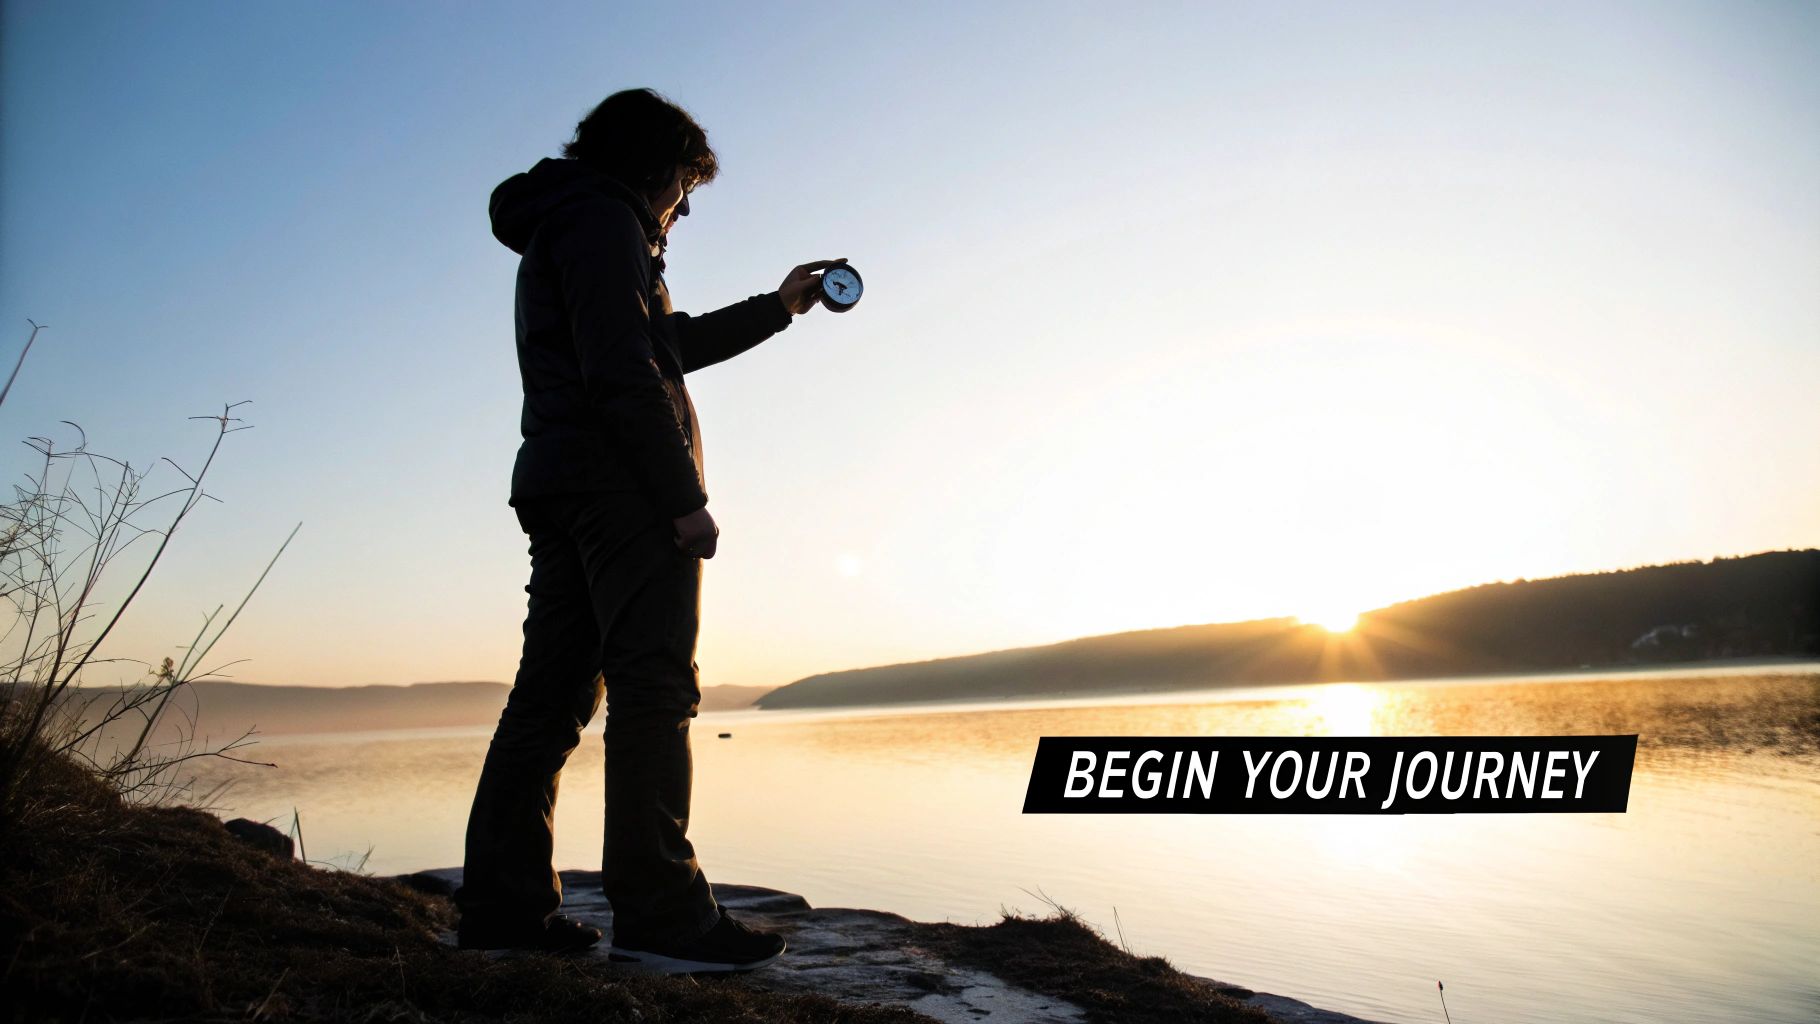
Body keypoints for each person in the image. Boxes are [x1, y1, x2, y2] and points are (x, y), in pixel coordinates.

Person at [452, 88, 844, 972]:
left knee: (550, 699)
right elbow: (625, 371)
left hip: (562, 478)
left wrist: (778, 306)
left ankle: (504, 913)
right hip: (620, 486)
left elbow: (660, 344)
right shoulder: (604, 221)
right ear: (658, 165)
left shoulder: (570, 219)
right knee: (654, 689)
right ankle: (663, 915)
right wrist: (681, 497)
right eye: (685, 187)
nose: (685, 209)